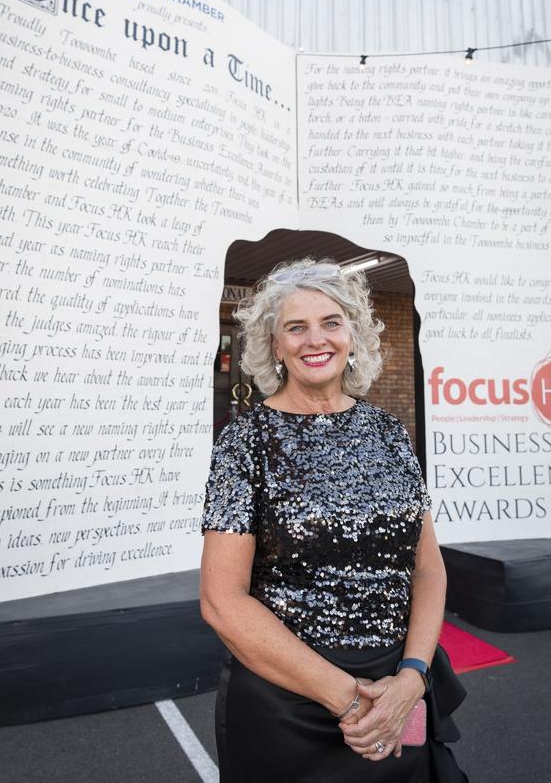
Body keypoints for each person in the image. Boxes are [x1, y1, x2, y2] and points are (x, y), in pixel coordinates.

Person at [200, 258, 469, 782]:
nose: (314, 339)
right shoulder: (246, 444)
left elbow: (428, 569)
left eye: (330, 322)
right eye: (295, 327)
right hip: (288, 702)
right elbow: (221, 601)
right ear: (275, 345)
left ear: (352, 334)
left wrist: (413, 678)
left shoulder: (390, 435)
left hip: (398, 687)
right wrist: (351, 702)